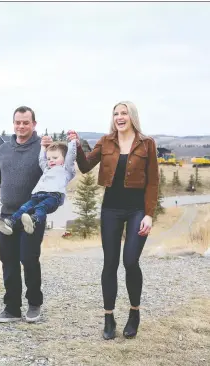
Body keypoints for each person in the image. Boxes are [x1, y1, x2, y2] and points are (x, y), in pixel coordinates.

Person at [68, 101, 159, 340]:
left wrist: (149, 214)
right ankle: (108, 317)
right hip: (111, 209)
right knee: (110, 264)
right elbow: (86, 166)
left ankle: (134, 312)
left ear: (132, 117)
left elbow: (153, 181)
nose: (120, 117)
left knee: (130, 261)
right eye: (116, 113)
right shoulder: (106, 141)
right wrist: (77, 145)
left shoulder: (146, 143)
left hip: (137, 209)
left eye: (124, 113)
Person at [0, 106, 48, 323]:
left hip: (31, 216)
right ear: (14, 124)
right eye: (18, 122)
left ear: (34, 124)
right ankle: (11, 308)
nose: (21, 126)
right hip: (6, 217)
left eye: (26, 122)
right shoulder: (4, 149)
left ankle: (34, 304)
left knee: (29, 259)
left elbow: (59, 168)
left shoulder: (43, 148)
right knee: (8, 261)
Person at [0, 139, 77, 235]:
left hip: (54, 196)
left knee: (41, 207)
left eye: (55, 158)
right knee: (24, 208)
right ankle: (10, 222)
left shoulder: (66, 169)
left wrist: (72, 142)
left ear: (64, 158)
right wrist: (43, 147)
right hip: (37, 195)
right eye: (49, 159)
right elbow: (41, 159)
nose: (51, 160)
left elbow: (70, 157)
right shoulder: (47, 169)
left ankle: (34, 221)